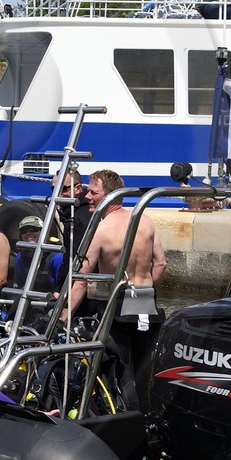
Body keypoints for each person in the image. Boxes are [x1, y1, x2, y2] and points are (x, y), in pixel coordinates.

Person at [65, 169, 168, 405]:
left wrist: (64, 314)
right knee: (145, 368)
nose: (87, 197)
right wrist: (146, 291)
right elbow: (161, 264)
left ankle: (126, 419)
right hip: (146, 302)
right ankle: (149, 416)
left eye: (93, 192)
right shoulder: (144, 220)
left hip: (117, 305)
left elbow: (82, 278)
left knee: (124, 369)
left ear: (110, 196)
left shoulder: (100, 230)